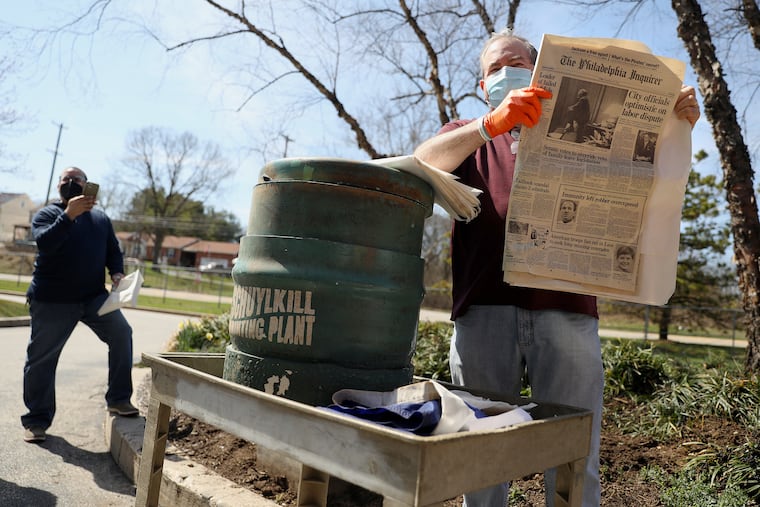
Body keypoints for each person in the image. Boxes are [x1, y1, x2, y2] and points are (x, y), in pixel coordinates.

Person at [413, 29, 700, 506]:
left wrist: (676, 121)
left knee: (573, 451)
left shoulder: (585, 126)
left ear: (541, 67)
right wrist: (490, 125)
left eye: (517, 62)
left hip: (568, 312)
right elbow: (421, 164)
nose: (506, 73)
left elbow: (654, 179)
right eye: (493, 69)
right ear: (482, 86)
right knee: (478, 450)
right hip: (483, 313)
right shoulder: (467, 136)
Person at [21, 166, 137, 444]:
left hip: (93, 297)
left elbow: (113, 251)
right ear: (60, 186)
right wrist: (68, 215)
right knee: (41, 360)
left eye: (77, 179)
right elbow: (45, 243)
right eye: (66, 179)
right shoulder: (48, 214)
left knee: (122, 333)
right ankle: (37, 420)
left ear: (87, 186)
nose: (71, 182)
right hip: (52, 299)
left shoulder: (100, 219)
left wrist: (117, 273)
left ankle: (119, 399)